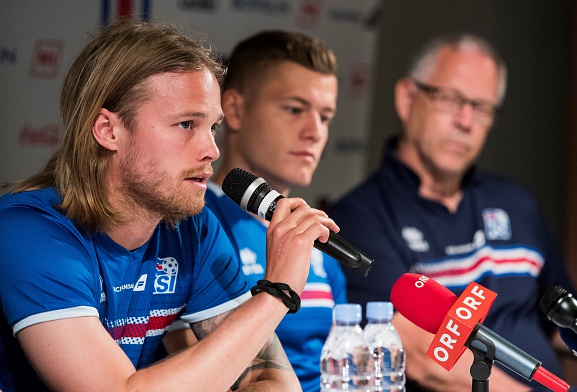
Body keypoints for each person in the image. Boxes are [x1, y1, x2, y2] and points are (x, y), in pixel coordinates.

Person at [0, 20, 340, 392]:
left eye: (212, 127)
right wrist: (277, 292)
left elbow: (267, 377)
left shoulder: (193, 229)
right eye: (185, 124)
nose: (211, 149)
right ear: (108, 130)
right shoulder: (29, 231)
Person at [329, 33, 577, 391]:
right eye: (450, 99)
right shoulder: (359, 218)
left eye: (481, 107)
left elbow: (564, 324)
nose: (466, 121)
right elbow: (421, 356)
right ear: (406, 98)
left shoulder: (517, 202)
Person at [162, 30, 347, 392]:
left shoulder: (317, 235)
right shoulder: (188, 223)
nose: (314, 132)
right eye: (294, 109)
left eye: (325, 117)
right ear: (234, 109)